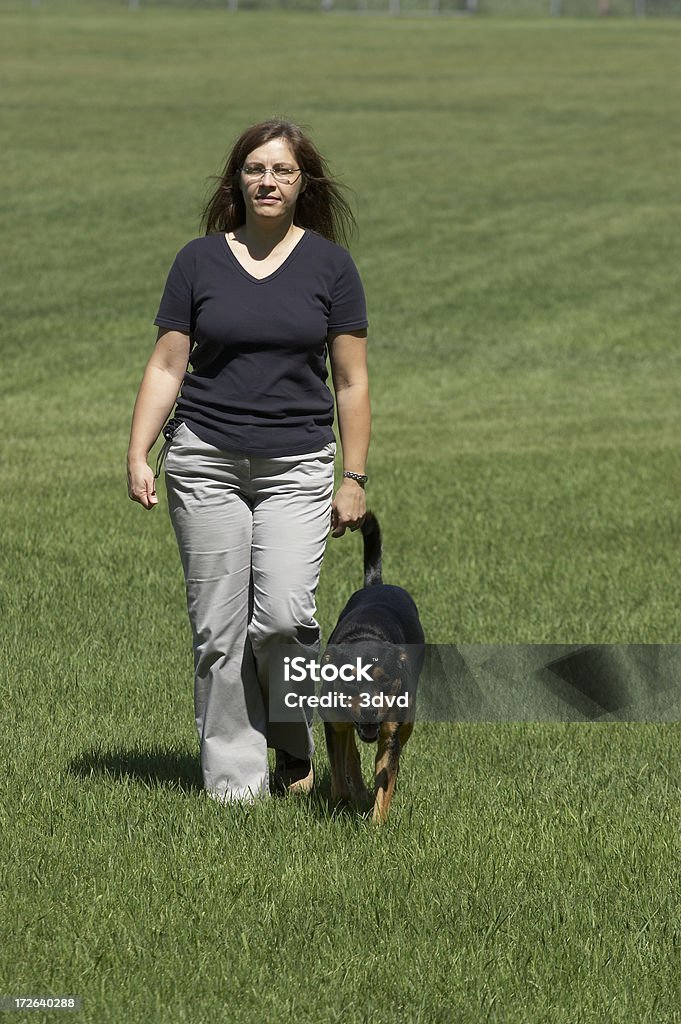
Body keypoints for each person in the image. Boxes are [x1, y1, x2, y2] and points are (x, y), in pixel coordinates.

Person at [127, 120, 370, 803]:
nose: (268, 181)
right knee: (218, 630)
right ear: (236, 179)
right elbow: (167, 364)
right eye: (255, 169)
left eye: (282, 171)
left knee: (285, 618)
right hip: (205, 460)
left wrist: (352, 478)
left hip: (297, 466)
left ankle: (290, 740)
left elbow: (350, 382)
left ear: (303, 184)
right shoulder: (198, 261)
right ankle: (235, 789)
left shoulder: (330, 267)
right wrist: (137, 450)